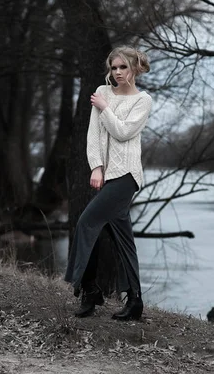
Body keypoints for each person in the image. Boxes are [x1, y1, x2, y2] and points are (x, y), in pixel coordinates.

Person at [64, 46, 152, 320]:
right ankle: (134, 301)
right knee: (121, 237)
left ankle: (90, 290)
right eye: (113, 68)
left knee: (87, 222)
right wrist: (97, 168)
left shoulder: (142, 100)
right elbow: (94, 136)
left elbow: (123, 132)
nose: (117, 73)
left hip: (126, 175)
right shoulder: (102, 93)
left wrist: (105, 109)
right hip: (107, 173)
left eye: (122, 67)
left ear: (134, 68)